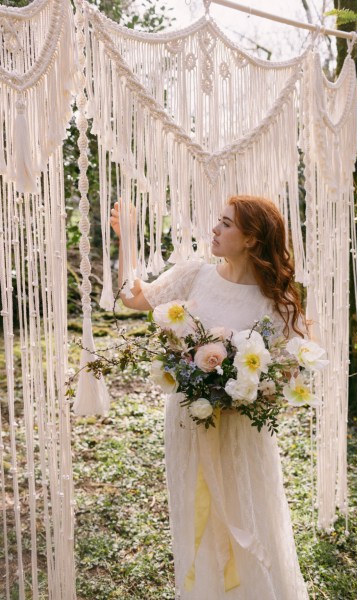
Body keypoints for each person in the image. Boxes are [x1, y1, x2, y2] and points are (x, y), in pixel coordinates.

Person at [110, 195, 309, 599]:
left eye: (226, 224)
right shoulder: (194, 273)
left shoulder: (277, 300)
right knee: (194, 513)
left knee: (251, 511)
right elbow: (133, 298)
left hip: (242, 432)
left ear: (251, 239)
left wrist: (250, 387)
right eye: (219, 221)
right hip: (188, 421)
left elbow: (294, 366)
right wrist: (126, 237)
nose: (215, 230)